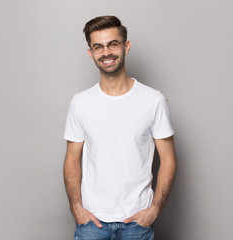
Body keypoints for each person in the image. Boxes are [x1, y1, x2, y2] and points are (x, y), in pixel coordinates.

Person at [63, 15, 177, 240]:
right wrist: (76, 207)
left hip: (137, 223)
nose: (106, 53)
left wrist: (154, 210)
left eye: (112, 44)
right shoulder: (80, 102)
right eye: (98, 47)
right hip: (91, 224)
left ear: (126, 46)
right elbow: (72, 160)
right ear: (91, 53)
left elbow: (169, 159)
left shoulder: (153, 100)